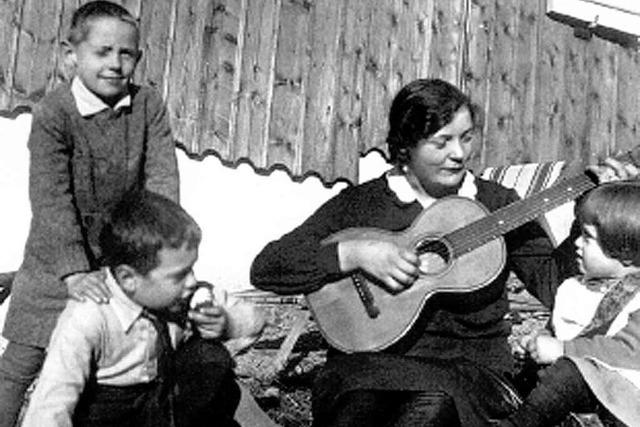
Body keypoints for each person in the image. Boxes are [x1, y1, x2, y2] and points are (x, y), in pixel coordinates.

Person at [250, 78, 638, 426]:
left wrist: (584, 214)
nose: (459, 154)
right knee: (359, 408)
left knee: (430, 408)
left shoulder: (498, 204)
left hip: (470, 372)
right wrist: (352, 254)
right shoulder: (362, 203)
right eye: (442, 142)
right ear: (406, 146)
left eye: (466, 138)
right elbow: (267, 268)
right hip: (367, 369)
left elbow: (556, 287)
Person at [0, 2, 181, 425]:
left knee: (122, 364)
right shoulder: (54, 113)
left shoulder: (148, 106)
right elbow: (51, 198)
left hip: (124, 262)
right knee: (19, 367)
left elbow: (162, 187)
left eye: (127, 54)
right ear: (71, 56)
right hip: (56, 264)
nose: (116, 64)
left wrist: (148, 259)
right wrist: (73, 271)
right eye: (103, 52)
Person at [21, 190, 240, 427]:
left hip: (158, 406)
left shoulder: (178, 293)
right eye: (180, 275)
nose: (192, 281)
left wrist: (226, 323)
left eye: (192, 269)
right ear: (128, 278)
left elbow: (251, 318)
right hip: (107, 415)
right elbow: (52, 403)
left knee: (210, 357)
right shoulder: (89, 315)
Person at [501, 181, 640, 427]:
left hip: (622, 396)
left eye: (588, 237)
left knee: (569, 373)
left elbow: (629, 352)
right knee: (489, 377)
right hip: (566, 390)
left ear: (625, 251)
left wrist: (562, 349)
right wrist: (538, 341)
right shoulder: (574, 287)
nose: (575, 243)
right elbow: (560, 330)